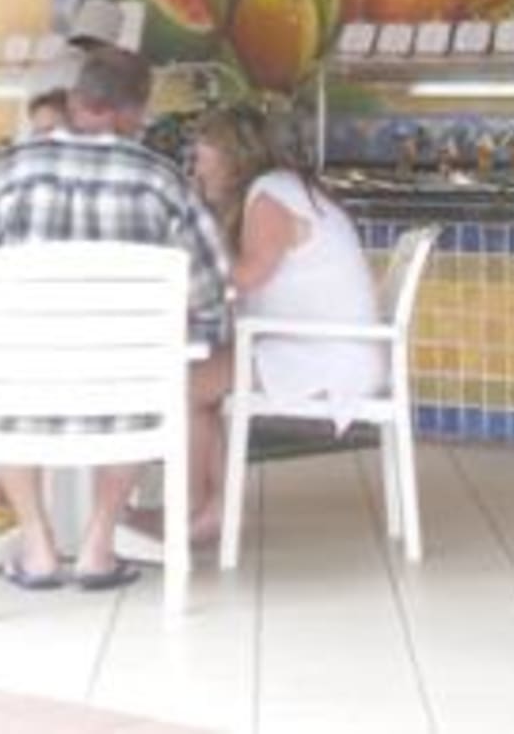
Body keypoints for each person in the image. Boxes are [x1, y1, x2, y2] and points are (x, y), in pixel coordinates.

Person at [0, 45, 232, 592]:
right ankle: (99, 546)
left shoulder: (8, 172)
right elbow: (210, 287)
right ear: (136, 112)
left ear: (76, 101)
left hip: (21, 388)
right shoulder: (162, 181)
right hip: (125, 393)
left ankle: (38, 546)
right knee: (146, 374)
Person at [143, 107, 383, 546]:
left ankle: (194, 511)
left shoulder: (270, 195)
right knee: (198, 385)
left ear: (231, 158)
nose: (196, 171)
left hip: (324, 355)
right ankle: (209, 508)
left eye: (202, 159)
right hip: (320, 347)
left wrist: (186, 268)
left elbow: (248, 276)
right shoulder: (282, 188)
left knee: (184, 387)